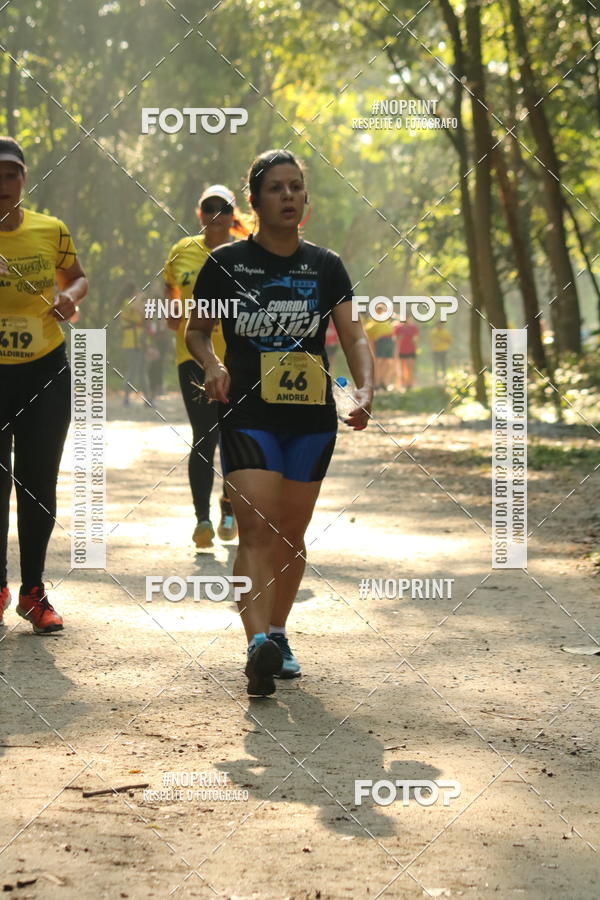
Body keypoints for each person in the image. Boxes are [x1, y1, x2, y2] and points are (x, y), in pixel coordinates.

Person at [186, 149, 374, 696]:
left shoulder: (326, 266)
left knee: (290, 534)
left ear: (305, 199)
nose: (288, 195)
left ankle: (277, 634)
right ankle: (255, 646)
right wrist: (213, 364)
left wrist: (364, 387)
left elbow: (353, 334)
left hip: (310, 418)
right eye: (276, 188)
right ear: (255, 200)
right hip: (247, 411)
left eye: (296, 187)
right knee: (256, 527)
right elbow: (197, 332)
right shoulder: (227, 263)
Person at [0, 137, 88, 632]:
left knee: (37, 483)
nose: (3, 184)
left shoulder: (50, 229)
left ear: (24, 179)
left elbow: (78, 277)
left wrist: (70, 297)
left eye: (11, 174)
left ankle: (33, 592)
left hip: (45, 370)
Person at [163, 185, 248, 548]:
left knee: (236, 436)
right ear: (199, 214)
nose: (216, 213)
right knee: (205, 434)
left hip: (240, 358)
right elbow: (170, 296)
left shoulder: (248, 254)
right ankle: (202, 519)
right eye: (209, 207)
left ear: (233, 215)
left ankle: (229, 507)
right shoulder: (181, 251)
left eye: (224, 207)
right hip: (193, 356)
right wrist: (175, 313)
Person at [119, 282, 149, 406]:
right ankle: (126, 398)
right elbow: (139, 310)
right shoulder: (127, 302)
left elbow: (145, 316)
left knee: (142, 370)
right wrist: (140, 298)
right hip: (132, 341)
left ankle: (147, 399)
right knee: (132, 371)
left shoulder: (133, 302)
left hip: (140, 340)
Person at [364, 304, 395, 389]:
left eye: (382, 310)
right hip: (380, 341)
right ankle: (377, 383)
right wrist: (371, 348)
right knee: (378, 362)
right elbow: (369, 336)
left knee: (387, 362)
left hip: (389, 341)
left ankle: (383, 381)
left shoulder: (387, 321)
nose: (381, 311)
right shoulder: (372, 322)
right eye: (379, 310)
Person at [393, 313, 419, 390]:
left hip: (411, 350)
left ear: (409, 318)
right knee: (401, 368)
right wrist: (398, 338)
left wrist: (415, 340)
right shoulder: (398, 328)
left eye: (407, 317)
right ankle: (403, 384)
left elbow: (417, 338)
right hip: (401, 350)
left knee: (409, 367)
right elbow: (394, 339)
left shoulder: (413, 327)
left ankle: (409, 384)